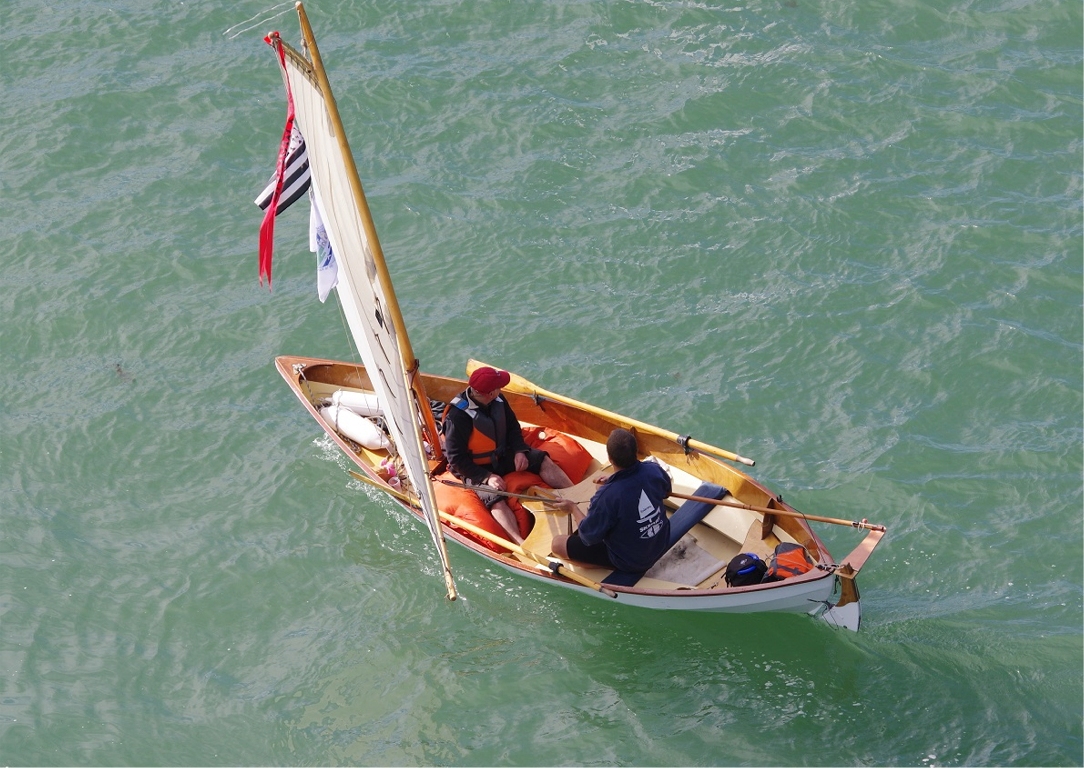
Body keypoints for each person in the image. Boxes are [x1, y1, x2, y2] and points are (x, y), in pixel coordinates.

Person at [442, 366, 572, 544]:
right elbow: (456, 459)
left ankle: (576, 497)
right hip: (475, 468)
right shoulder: (457, 418)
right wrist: (487, 477)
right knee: (494, 499)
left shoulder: (498, 400)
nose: (501, 389)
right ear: (490, 393)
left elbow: (512, 427)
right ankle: (522, 544)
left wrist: (520, 450)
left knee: (542, 459)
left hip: (503, 455)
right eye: (499, 387)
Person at [552, 428, 672, 573]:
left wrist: (573, 508)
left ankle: (609, 566)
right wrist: (614, 482)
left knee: (557, 544)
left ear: (610, 459)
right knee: (600, 490)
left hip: (633, 561)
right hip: (661, 541)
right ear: (636, 453)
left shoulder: (607, 496)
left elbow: (587, 536)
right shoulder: (654, 469)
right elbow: (666, 492)